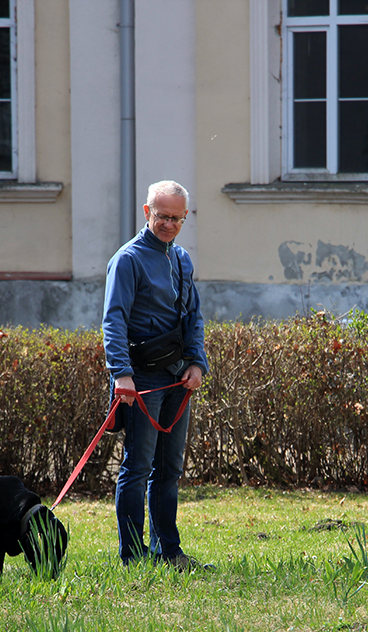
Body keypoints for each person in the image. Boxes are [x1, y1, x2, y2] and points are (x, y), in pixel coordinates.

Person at [102, 180, 209, 570]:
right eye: (162, 216)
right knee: (137, 468)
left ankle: (169, 552)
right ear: (147, 212)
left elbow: (193, 316)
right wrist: (122, 375)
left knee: (169, 470)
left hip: (178, 378)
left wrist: (197, 363)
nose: (169, 225)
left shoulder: (182, 259)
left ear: (185, 218)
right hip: (141, 380)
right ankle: (133, 556)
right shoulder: (127, 260)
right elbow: (113, 321)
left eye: (177, 219)